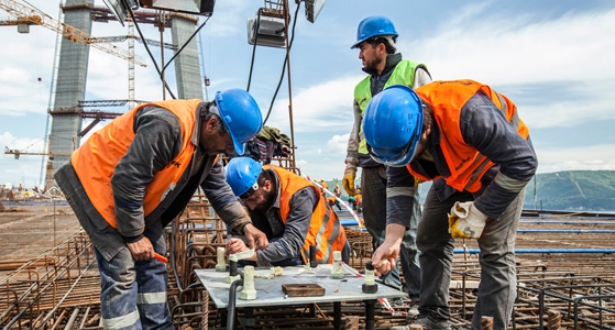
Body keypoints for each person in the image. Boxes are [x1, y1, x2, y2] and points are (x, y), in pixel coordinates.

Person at [54, 88, 268, 330]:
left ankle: (158, 327)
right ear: (211, 124)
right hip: (96, 186)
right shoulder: (169, 126)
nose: (229, 151)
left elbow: (219, 190)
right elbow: (128, 179)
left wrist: (245, 224)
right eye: (229, 144)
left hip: (136, 199)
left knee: (155, 258)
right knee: (122, 267)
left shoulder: (210, 149)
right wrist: (134, 235)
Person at [364, 81, 537, 330]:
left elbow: (524, 163)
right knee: (429, 236)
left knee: (495, 252)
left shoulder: (471, 114)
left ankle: (489, 326)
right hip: (456, 169)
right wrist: (393, 239)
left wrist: (481, 211)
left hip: (502, 171)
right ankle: (433, 316)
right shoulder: (395, 132)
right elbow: (400, 184)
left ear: (425, 131)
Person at [342, 15, 427, 314]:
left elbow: (428, 116)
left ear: (381, 46)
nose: (360, 54)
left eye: (363, 47)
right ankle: (391, 293)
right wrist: (350, 167)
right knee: (379, 230)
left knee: (408, 234)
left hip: (403, 163)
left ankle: (419, 296)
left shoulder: (412, 71)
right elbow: (357, 129)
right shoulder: (360, 88)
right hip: (370, 164)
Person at [224, 157, 350, 266]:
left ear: (267, 185)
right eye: (246, 202)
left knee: (281, 259)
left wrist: (251, 254)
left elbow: (292, 244)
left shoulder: (300, 194)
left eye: (254, 199)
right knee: (241, 260)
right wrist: (236, 245)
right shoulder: (247, 185)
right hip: (285, 241)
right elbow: (237, 226)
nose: (251, 207)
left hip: (323, 249)